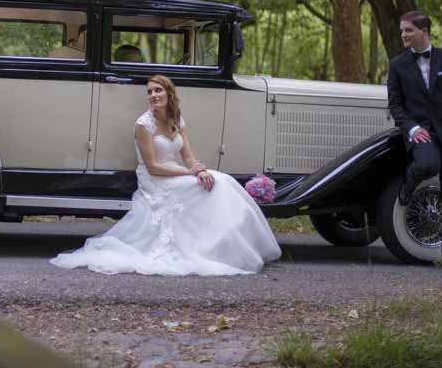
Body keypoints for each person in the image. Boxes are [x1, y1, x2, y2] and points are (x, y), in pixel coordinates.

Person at [50, 74, 281, 276]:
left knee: (221, 181)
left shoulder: (177, 120)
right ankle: (206, 249)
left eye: (158, 90)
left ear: (169, 93)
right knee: (204, 187)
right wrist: (189, 172)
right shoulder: (143, 124)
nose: (153, 95)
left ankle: (225, 247)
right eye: (149, 92)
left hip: (177, 173)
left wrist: (199, 170)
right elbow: (152, 166)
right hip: (156, 179)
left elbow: (188, 156)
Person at [387, 11, 442, 272]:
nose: (403, 34)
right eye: (402, 30)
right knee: (427, 164)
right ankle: (408, 184)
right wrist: (411, 129)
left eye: (408, 30)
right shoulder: (397, 65)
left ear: (424, 31)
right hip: (420, 134)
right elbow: (395, 105)